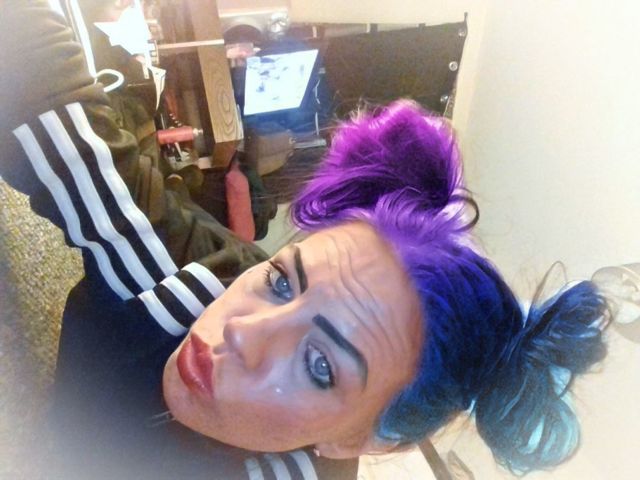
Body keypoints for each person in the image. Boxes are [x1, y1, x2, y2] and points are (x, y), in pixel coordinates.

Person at [0, 1, 609, 478]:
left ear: (363, 440)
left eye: (320, 365)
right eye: (281, 281)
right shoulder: (195, 279)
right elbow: (67, 129)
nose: (243, 332)